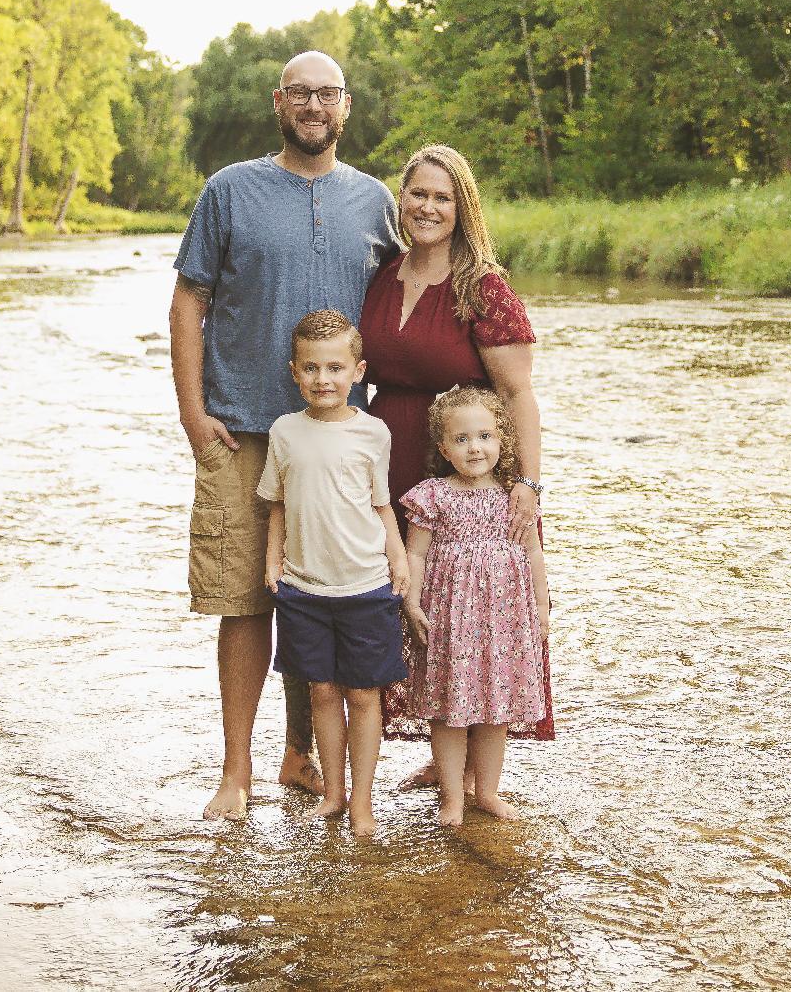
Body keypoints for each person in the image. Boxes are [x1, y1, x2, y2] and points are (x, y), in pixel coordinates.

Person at [171, 51, 400, 821]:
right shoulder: (230, 190)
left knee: (329, 593)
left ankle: (301, 757)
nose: (313, 105)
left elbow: (410, 300)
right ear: (280, 102)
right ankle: (235, 774)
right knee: (246, 600)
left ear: (346, 105)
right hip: (243, 428)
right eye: (300, 93)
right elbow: (187, 303)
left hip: (339, 438)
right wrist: (193, 413)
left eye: (326, 94)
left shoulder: (375, 202)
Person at [359, 143, 550, 754]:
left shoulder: (483, 289)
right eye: (418, 194)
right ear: (401, 198)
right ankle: (437, 758)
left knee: (469, 616)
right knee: (405, 602)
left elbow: (518, 393)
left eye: (443, 197)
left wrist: (526, 482)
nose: (428, 207)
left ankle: (475, 775)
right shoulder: (383, 274)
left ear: (462, 208)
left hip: (465, 470)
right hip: (388, 458)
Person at [260, 310, 417, 838]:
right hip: (303, 588)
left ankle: (364, 802)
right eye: (311, 368)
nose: (323, 379)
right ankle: (333, 792)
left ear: (358, 371)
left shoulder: (373, 433)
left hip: (365, 585)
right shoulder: (284, 432)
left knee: (364, 694)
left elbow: (382, 505)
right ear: (294, 372)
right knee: (322, 691)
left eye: (335, 368)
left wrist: (398, 559)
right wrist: (271, 562)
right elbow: (277, 505)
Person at [401, 385, 550, 827]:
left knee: (496, 708)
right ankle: (451, 796)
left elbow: (533, 554)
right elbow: (416, 555)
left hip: (505, 619)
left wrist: (541, 609)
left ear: (502, 440)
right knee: (448, 709)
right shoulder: (432, 495)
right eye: (462, 439)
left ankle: (485, 791)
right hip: (451, 618)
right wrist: (411, 601)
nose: (474, 448)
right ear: (444, 447)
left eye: (484, 436)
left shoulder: (514, 496)